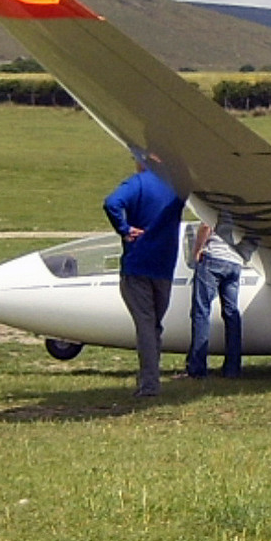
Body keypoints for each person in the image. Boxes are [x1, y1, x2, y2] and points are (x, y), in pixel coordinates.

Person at [103, 161, 185, 397]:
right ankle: (151, 376)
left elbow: (112, 203)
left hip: (138, 264)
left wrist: (125, 229)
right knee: (155, 325)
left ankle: (150, 382)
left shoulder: (137, 183)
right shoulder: (176, 186)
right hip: (165, 266)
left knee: (146, 326)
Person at [186, 216, 252, 378]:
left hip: (213, 258)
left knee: (201, 312)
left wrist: (197, 251)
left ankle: (197, 368)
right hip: (235, 263)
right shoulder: (247, 210)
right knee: (231, 314)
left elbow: (205, 226)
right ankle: (232, 368)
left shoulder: (218, 204)